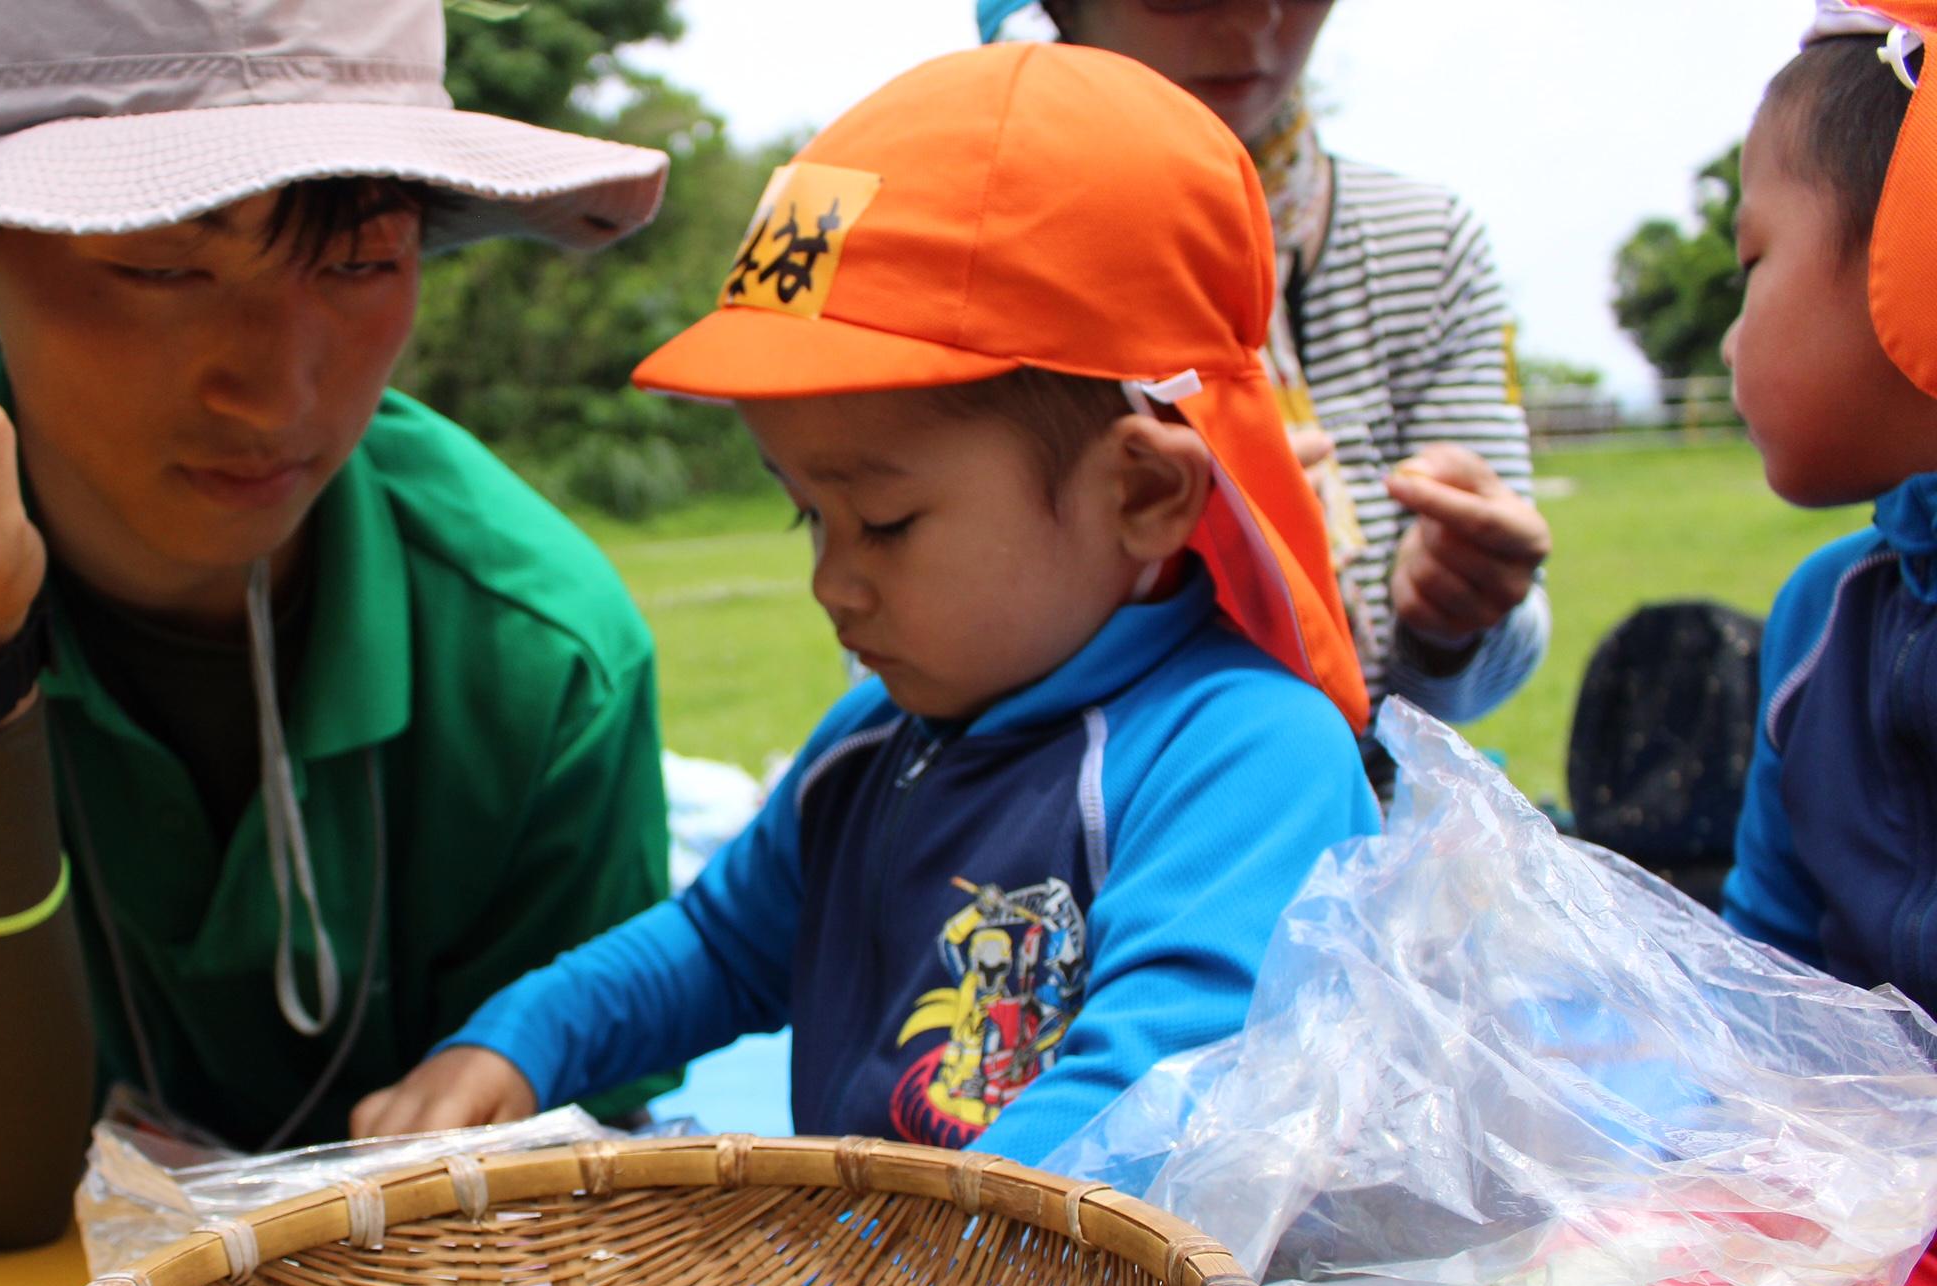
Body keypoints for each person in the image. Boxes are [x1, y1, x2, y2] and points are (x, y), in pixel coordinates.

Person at [0, 0, 675, 1247]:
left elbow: (571, 1185)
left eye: (360, 261)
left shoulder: (545, 655)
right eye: (160, 267)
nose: (273, 388)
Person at [352, 44, 1380, 1167]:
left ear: (1140, 491)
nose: (832, 583)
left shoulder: (1242, 757)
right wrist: (520, 1040)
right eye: (809, 517)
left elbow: (1155, 1102)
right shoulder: (872, 744)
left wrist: (870, 1280)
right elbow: (715, 945)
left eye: (885, 524)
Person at [977, 0, 1552, 725]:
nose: (1253, 26)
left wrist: (1457, 623)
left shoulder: (1427, 246)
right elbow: (901, 648)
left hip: (1365, 808)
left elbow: (1454, 699)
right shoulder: (979, 258)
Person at [1720, 1, 1937, 1286]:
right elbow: (1762, 1002)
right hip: (1878, 1210)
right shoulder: (1826, 617)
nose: (1731, 331)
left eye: (1752, 265)